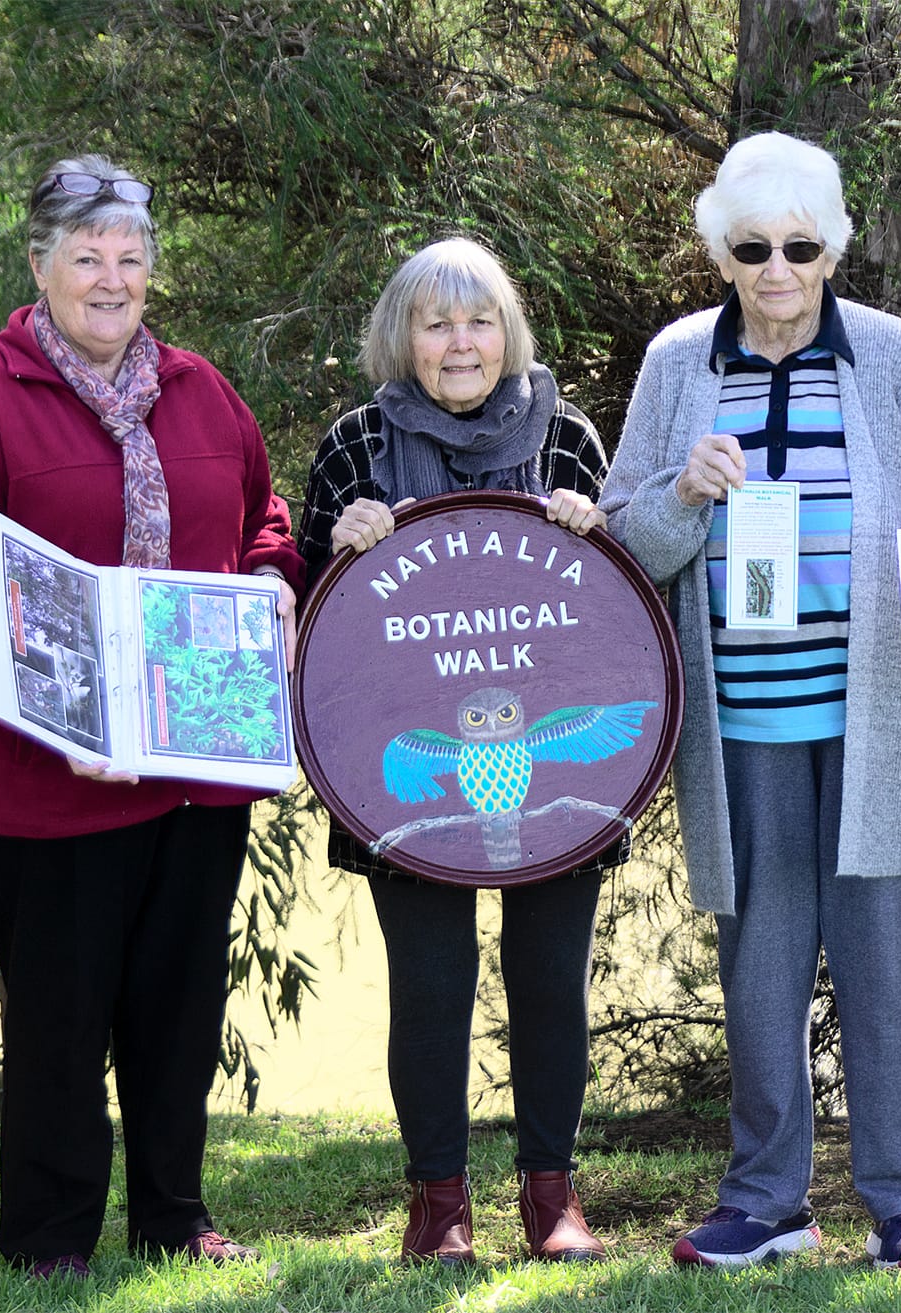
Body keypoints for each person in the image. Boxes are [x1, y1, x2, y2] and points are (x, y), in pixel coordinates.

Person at [598, 132, 901, 1274]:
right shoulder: (679, 363)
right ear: (721, 251)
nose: (777, 269)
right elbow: (631, 541)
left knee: (888, 973)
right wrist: (682, 491)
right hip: (744, 732)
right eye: (753, 246)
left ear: (832, 249)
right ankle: (766, 1199)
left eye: (801, 246)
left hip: (889, 726)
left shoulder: (893, 357)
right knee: (760, 973)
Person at [0, 154, 301, 1278]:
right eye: (86, 256)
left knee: (178, 1009)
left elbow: (261, 513)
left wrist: (275, 576)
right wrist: (65, 722)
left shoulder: (200, 389)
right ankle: (49, 1238)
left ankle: (173, 1215)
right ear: (40, 266)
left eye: (129, 257)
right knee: (60, 1019)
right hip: (50, 781)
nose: (111, 277)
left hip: (195, 764)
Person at [295, 237, 613, 1266]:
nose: (460, 341)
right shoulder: (354, 443)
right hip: (408, 769)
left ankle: (551, 1197)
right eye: (436, 323)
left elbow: (610, 621)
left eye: (478, 320)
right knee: (429, 986)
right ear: (405, 339)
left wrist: (590, 527)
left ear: (506, 329)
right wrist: (334, 545)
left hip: (555, 776)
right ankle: (439, 1205)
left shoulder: (565, 433)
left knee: (548, 978)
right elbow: (311, 622)